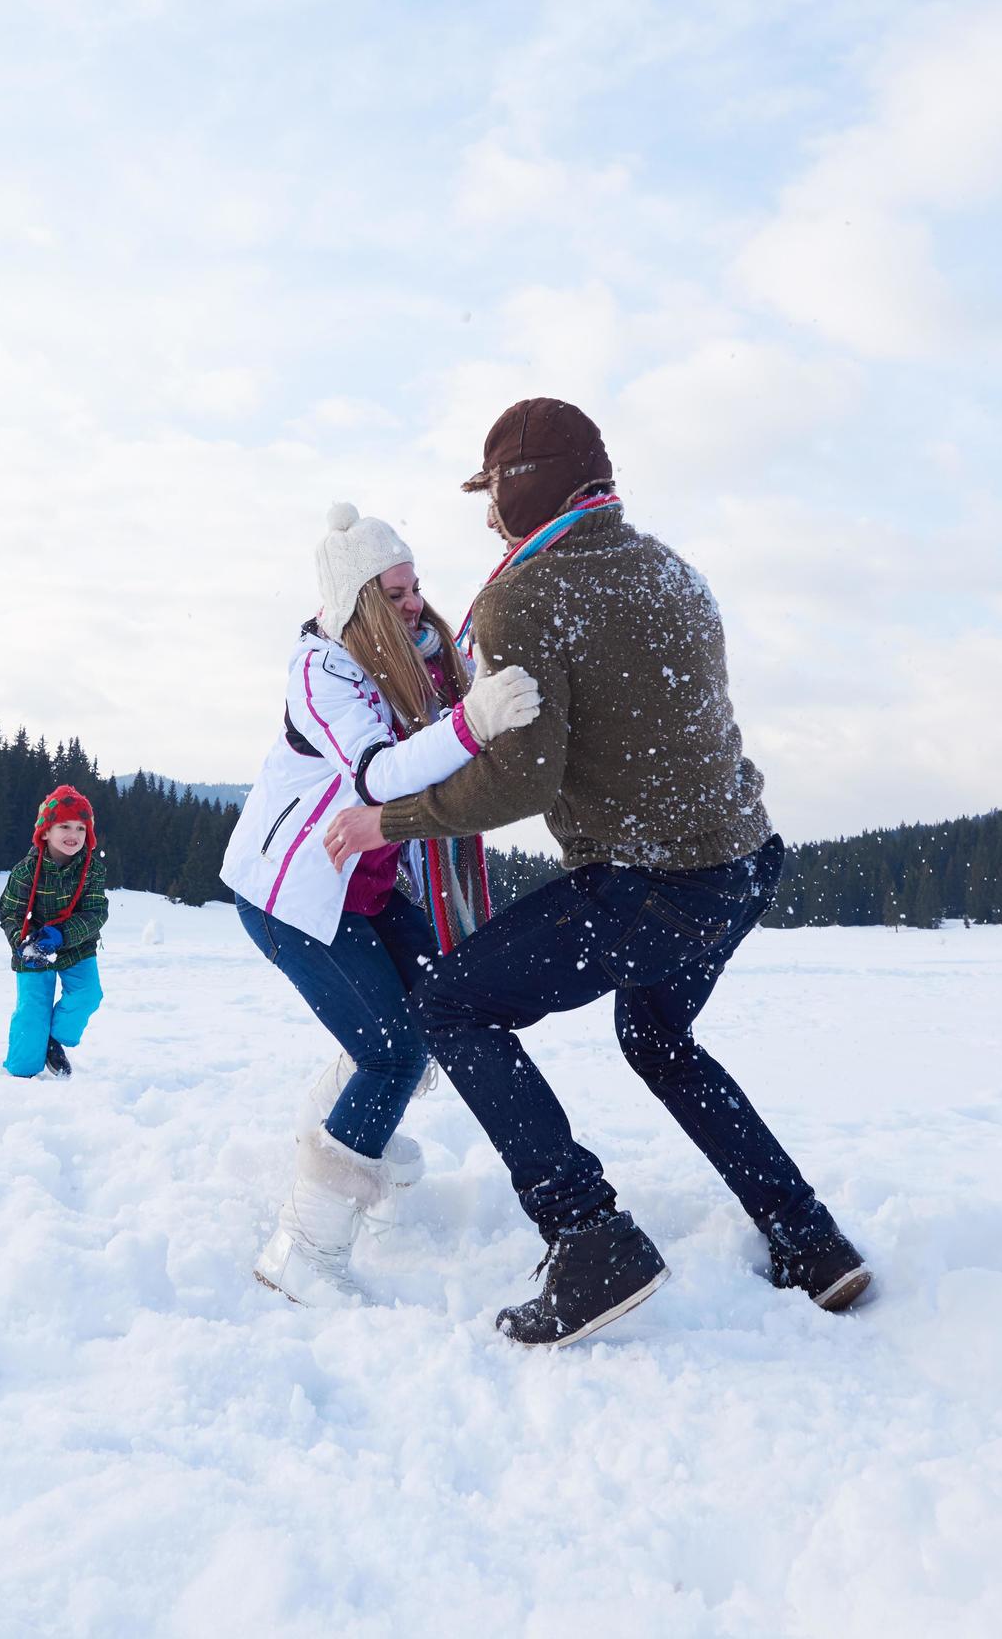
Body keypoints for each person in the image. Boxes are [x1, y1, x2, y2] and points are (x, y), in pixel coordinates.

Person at [323, 398, 871, 1345]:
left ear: (517, 490)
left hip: (652, 885)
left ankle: (584, 1235)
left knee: (451, 1002)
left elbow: (520, 779)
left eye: (490, 496)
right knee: (657, 1040)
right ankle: (810, 1242)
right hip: (740, 866)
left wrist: (388, 819)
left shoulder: (524, 596)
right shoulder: (673, 570)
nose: (486, 518)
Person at [220, 502, 545, 1303]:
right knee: (393, 1052)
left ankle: (332, 1134)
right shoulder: (321, 670)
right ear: (358, 601)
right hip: (294, 899)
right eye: (394, 594)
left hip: (363, 889)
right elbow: (376, 773)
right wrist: (470, 723)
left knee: (444, 1007)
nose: (412, 605)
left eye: (415, 588)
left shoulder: (409, 660)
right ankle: (305, 1247)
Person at [0, 784, 108, 1079]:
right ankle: (20, 1075)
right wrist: (23, 942)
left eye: (80, 828)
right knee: (32, 1012)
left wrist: (62, 934)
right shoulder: (25, 871)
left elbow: (96, 912)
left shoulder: (93, 870)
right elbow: (11, 913)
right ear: (45, 831)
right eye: (64, 826)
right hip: (33, 947)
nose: (74, 835)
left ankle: (54, 1039)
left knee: (87, 994)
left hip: (76, 944)